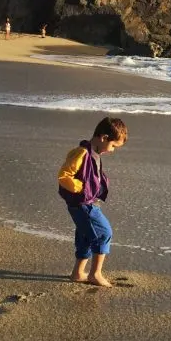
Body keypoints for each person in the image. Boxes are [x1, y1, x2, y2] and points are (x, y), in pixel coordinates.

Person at [57, 117, 128, 287]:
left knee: (86, 236)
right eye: (113, 146)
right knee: (104, 233)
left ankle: (78, 273)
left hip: (86, 202)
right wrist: (78, 187)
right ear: (103, 138)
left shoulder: (93, 152)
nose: (112, 150)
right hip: (83, 204)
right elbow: (64, 175)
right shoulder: (82, 153)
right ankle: (95, 274)